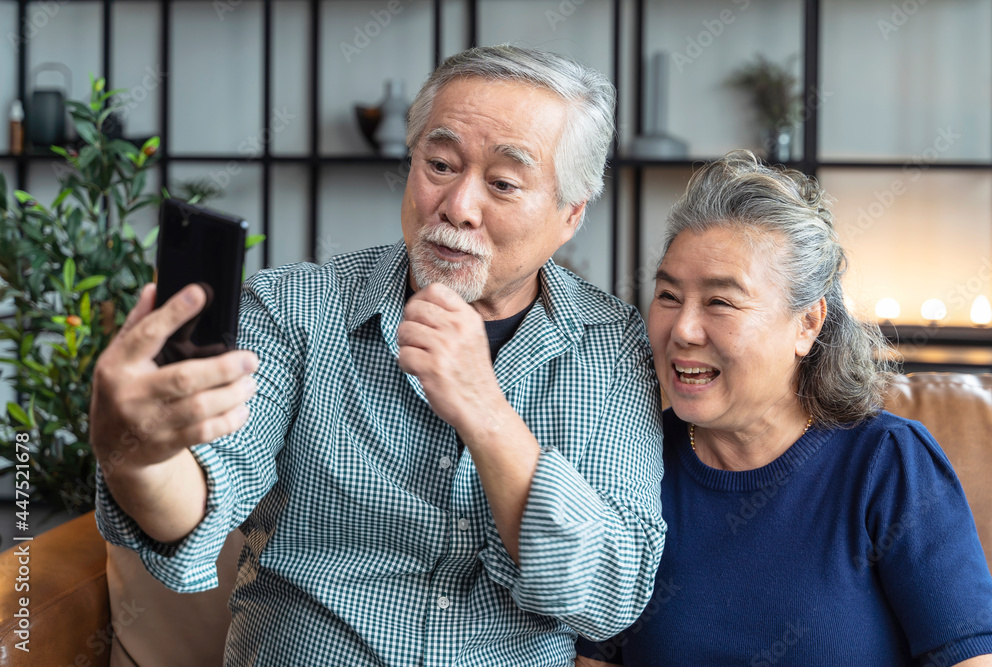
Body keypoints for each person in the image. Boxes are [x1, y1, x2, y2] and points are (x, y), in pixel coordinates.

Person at [89, 45, 667, 666]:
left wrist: (484, 411)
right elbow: (205, 492)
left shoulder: (610, 344)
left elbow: (611, 589)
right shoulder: (297, 309)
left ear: (570, 215)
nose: (458, 207)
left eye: (503, 183)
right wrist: (137, 458)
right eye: (440, 165)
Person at [576, 151, 992, 666]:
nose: (683, 329)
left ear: (807, 324)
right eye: (668, 295)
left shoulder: (886, 463)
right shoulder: (628, 455)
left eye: (720, 302)